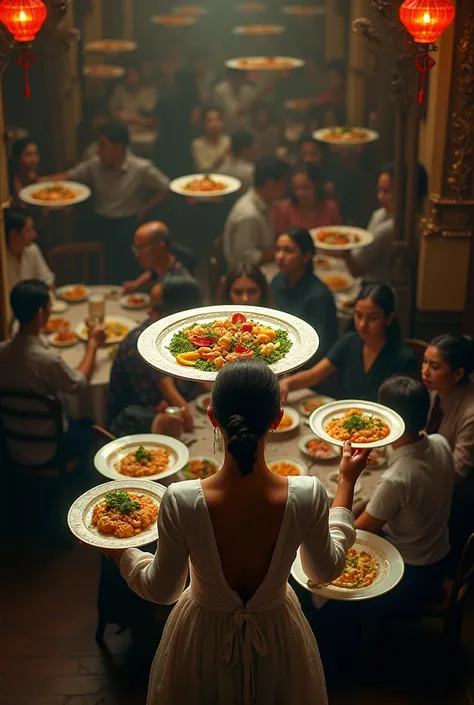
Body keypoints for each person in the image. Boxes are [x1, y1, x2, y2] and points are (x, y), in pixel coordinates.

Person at [105, 358, 368, 704]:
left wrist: (119, 551)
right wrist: (347, 482)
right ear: (277, 417)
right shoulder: (307, 494)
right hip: (277, 637)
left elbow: (163, 589)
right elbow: (324, 571)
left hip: (202, 640)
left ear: (212, 416)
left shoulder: (181, 499)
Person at [356, 376, 454, 609]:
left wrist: (345, 483)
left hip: (411, 572)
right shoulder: (440, 442)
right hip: (440, 555)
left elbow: (358, 531)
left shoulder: (397, 478)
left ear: (387, 421)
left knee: (332, 597)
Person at [44, 121, 170, 284]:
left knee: (126, 273)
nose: (98, 150)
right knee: (99, 273)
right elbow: (69, 175)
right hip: (100, 224)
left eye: (103, 145)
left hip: (128, 226)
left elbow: (167, 186)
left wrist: (146, 208)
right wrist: (39, 182)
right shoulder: (95, 164)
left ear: (118, 148)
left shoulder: (140, 168)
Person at [0, 280, 105, 466]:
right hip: (49, 448)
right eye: (49, 306)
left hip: (11, 445)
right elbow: (79, 384)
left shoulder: (2, 351)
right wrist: (93, 345)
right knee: (88, 424)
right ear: (41, 313)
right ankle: (82, 479)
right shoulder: (47, 360)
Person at [280, 284, 417, 402]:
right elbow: (315, 374)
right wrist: (288, 383)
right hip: (343, 420)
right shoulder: (349, 341)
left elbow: (401, 410)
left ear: (388, 319)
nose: (363, 325)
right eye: (359, 315)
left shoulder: (404, 360)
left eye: (373, 318)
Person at [108, 276, 203, 436]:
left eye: (156, 306)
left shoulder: (186, 332)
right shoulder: (145, 342)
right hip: (133, 429)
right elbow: (185, 417)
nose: (148, 310)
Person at [423, 335, 474, 561]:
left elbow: (458, 473)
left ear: (458, 374)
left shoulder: (470, 412)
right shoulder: (436, 387)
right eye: (424, 362)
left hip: (456, 498)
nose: (425, 371)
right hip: (429, 468)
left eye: (434, 366)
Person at [340, 163, 428, 284]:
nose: (380, 196)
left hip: (379, 290)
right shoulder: (380, 213)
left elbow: (357, 270)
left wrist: (344, 249)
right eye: (379, 190)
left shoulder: (392, 228)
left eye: (386, 191)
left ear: (407, 193)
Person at [271, 229, 337, 362]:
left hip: (306, 362)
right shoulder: (277, 281)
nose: (280, 256)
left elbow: (320, 346)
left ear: (306, 256)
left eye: (288, 251)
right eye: (277, 249)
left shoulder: (318, 295)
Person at [223, 156, 290, 267]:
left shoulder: (265, 203)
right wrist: (281, 250)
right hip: (246, 275)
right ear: (270, 184)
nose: (286, 188)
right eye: (284, 183)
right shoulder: (249, 215)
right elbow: (247, 258)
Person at [122, 221, 200, 296]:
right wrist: (135, 284)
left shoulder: (170, 285)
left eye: (141, 248)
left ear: (160, 247)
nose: (137, 255)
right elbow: (153, 273)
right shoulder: (169, 259)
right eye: (136, 248)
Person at [153, 69, 201, 178]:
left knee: (164, 182)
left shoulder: (165, 98)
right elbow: (194, 123)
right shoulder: (194, 100)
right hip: (184, 147)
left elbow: (155, 123)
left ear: (176, 81)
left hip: (164, 145)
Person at [272, 163, 342, 234]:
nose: (300, 193)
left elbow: (338, 236)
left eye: (305, 187)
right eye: (296, 188)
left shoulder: (331, 207)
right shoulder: (283, 209)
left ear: (316, 186)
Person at [109, 64, 158, 151]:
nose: (131, 78)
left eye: (133, 74)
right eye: (129, 75)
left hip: (147, 136)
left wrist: (131, 118)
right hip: (125, 136)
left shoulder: (150, 93)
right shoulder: (120, 92)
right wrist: (140, 120)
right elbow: (115, 114)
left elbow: (152, 120)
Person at [4, 208, 54, 294]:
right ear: (14, 234)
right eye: (29, 230)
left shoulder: (32, 250)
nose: (34, 234)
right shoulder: (3, 258)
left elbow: (48, 282)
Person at [213, 67, 272, 132]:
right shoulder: (221, 90)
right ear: (231, 77)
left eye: (243, 76)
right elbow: (236, 113)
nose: (242, 79)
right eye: (239, 76)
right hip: (227, 131)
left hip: (245, 130)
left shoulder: (246, 89)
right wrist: (262, 93)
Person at [191, 107, 231, 172]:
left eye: (218, 120)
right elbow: (204, 170)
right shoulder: (197, 144)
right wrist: (224, 155)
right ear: (203, 124)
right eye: (209, 121)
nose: (214, 125)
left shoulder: (227, 140)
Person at [9, 137, 40, 206]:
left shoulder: (31, 176)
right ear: (17, 159)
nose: (34, 159)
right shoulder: (13, 181)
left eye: (36, 154)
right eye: (28, 155)